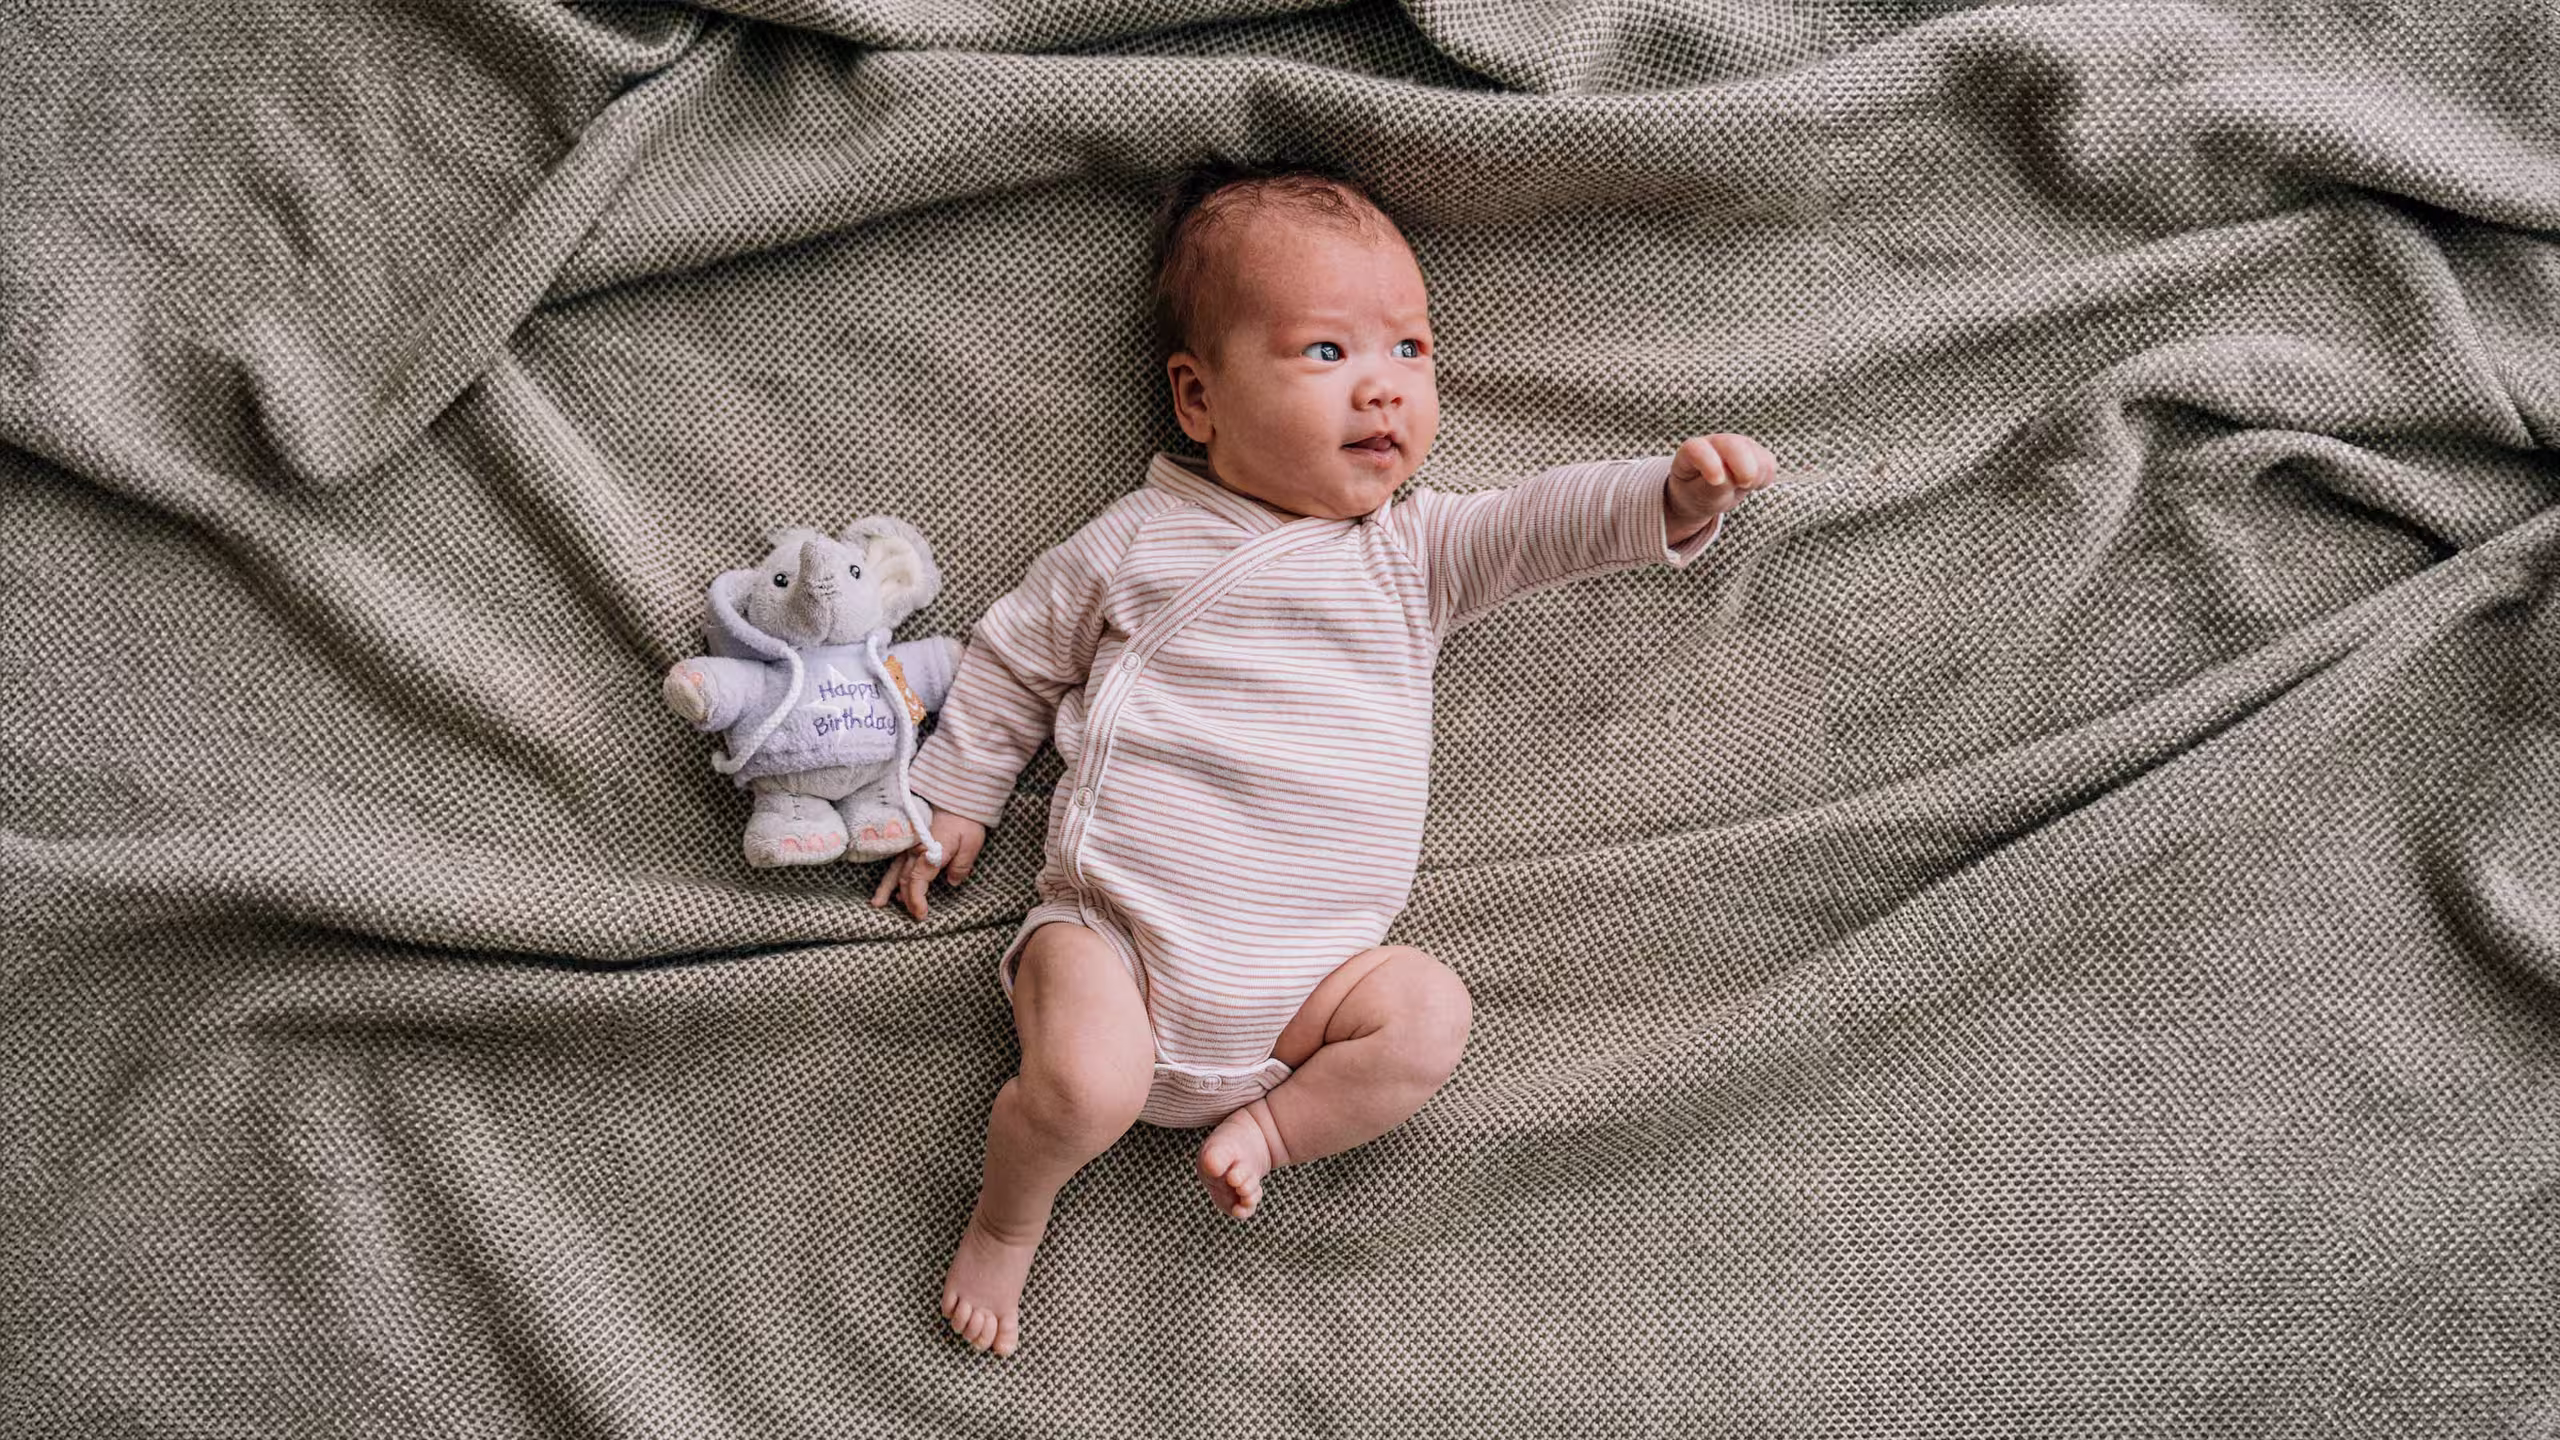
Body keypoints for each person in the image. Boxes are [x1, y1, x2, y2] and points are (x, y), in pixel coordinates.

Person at [874, 156, 1776, 1357]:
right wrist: (956, 790)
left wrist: (1665, 494)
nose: (1385, 392)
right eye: (1326, 354)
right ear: (1198, 400)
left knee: (1426, 1015)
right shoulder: (1138, 544)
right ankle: (1006, 1222)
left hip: (1302, 1002)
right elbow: (1013, 658)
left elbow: (1537, 521)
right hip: (1118, 949)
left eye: (1410, 351)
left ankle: (1271, 1134)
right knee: (1083, 1089)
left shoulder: (1413, 553)